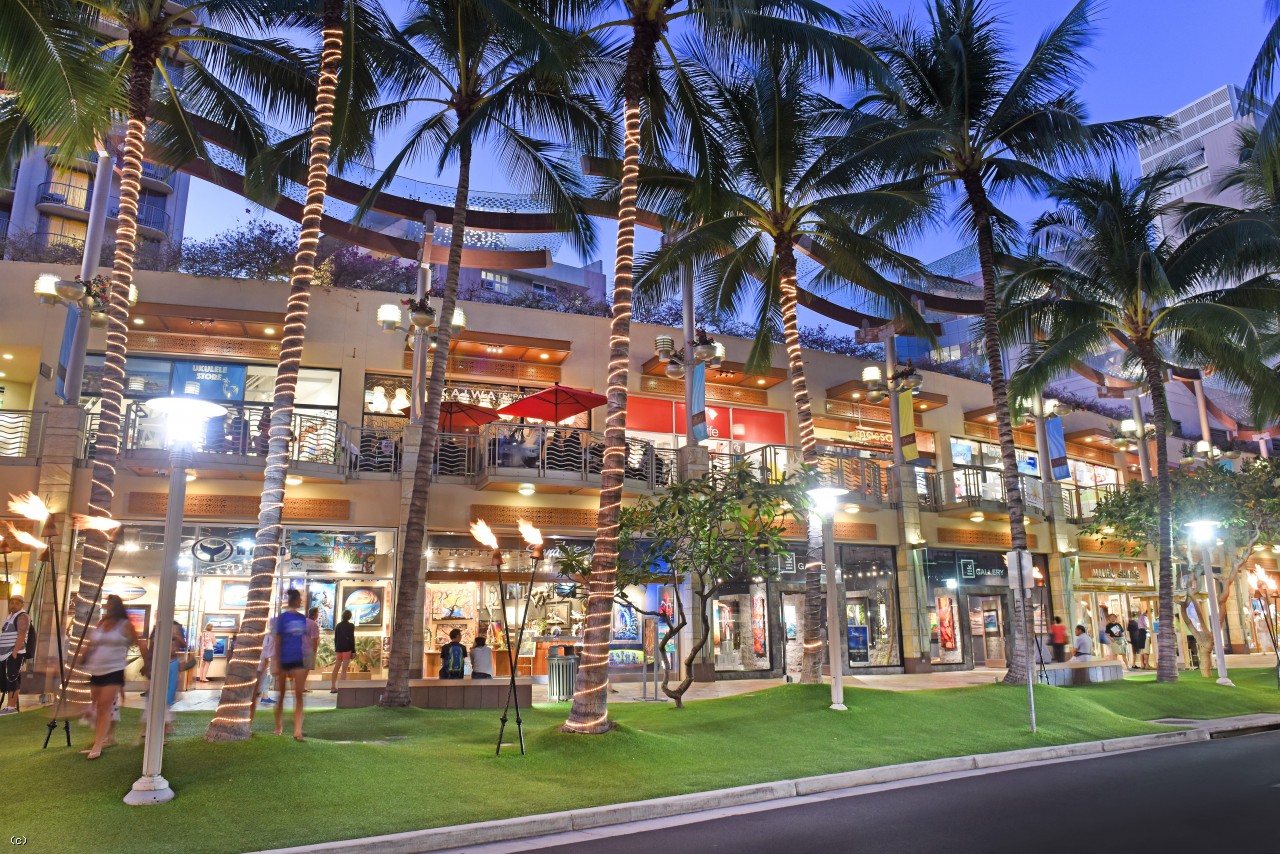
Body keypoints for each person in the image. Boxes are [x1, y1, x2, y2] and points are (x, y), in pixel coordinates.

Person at [81, 594, 147, 759]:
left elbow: (139, 644)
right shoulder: (102, 623)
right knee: (96, 705)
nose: (107, 607)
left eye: (110, 604)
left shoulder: (125, 625)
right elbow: (91, 643)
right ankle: (103, 738)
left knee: (104, 706)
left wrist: (146, 664)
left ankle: (98, 744)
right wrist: (84, 656)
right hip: (96, 669)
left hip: (114, 670)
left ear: (116, 606)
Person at [273, 589, 310, 741]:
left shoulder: (302, 618)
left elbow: (304, 639)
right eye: (299, 599)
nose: (301, 601)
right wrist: (276, 662)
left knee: (299, 695)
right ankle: (278, 727)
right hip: (284, 659)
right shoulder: (282, 618)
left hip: (298, 659)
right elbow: (278, 640)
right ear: (294, 600)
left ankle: (297, 731)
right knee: (281, 695)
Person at [0, 595, 32, 714]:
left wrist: (14, 652)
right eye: (11, 603)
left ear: (22, 605)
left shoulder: (22, 616)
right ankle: (8, 706)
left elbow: (22, 635)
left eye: (17, 603)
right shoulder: (10, 616)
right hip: (5, 654)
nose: (13, 605)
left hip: (13, 653)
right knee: (8, 680)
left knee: (12, 678)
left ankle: (11, 707)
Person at [330, 609, 354, 693]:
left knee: (336, 667)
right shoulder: (351, 626)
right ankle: (341, 687)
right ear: (349, 617)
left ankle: (333, 687)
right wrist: (353, 650)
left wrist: (336, 648)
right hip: (347, 648)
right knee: (344, 669)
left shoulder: (338, 625)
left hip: (339, 649)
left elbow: (336, 638)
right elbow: (351, 638)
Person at [304, 607, 320, 687]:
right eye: (317, 613)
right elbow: (314, 638)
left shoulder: (304, 621)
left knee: (302, 668)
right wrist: (315, 648)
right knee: (306, 668)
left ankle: (301, 685)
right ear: (315, 614)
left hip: (302, 648)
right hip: (309, 648)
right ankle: (302, 686)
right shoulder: (313, 624)